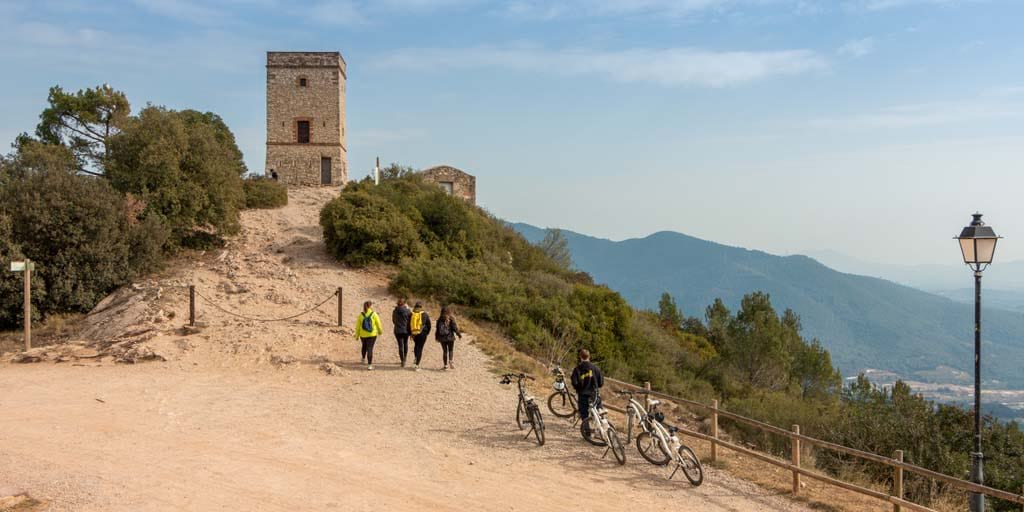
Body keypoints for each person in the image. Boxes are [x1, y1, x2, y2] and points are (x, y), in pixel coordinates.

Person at [571, 348, 604, 436]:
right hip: (594, 393)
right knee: (599, 410)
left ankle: (587, 433)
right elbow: (601, 383)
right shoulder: (595, 368)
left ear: (580, 357)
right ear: (589, 357)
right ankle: (604, 428)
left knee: (584, 413)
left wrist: (579, 388)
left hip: (583, 394)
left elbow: (574, 383)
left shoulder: (577, 369)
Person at [354, 300, 383, 370]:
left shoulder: (360, 315)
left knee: (364, 346)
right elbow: (378, 324)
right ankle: (370, 365)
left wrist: (357, 336)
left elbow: (357, 326)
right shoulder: (374, 314)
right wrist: (380, 331)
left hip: (363, 335)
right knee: (370, 348)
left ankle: (363, 359)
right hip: (372, 334)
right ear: (370, 306)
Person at [410, 302, 432, 371]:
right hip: (423, 333)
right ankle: (417, 365)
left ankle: (416, 357)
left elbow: (409, 324)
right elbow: (429, 325)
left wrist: (411, 333)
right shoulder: (425, 314)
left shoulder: (412, 314)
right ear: (421, 307)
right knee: (420, 348)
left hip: (414, 332)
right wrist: (427, 332)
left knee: (416, 345)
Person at [392, 298, 412, 368]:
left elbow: (393, 321)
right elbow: (410, 320)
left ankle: (402, 360)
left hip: (398, 330)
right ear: (404, 303)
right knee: (405, 344)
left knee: (400, 346)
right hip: (406, 330)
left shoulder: (395, 311)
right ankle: (405, 358)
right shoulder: (408, 311)